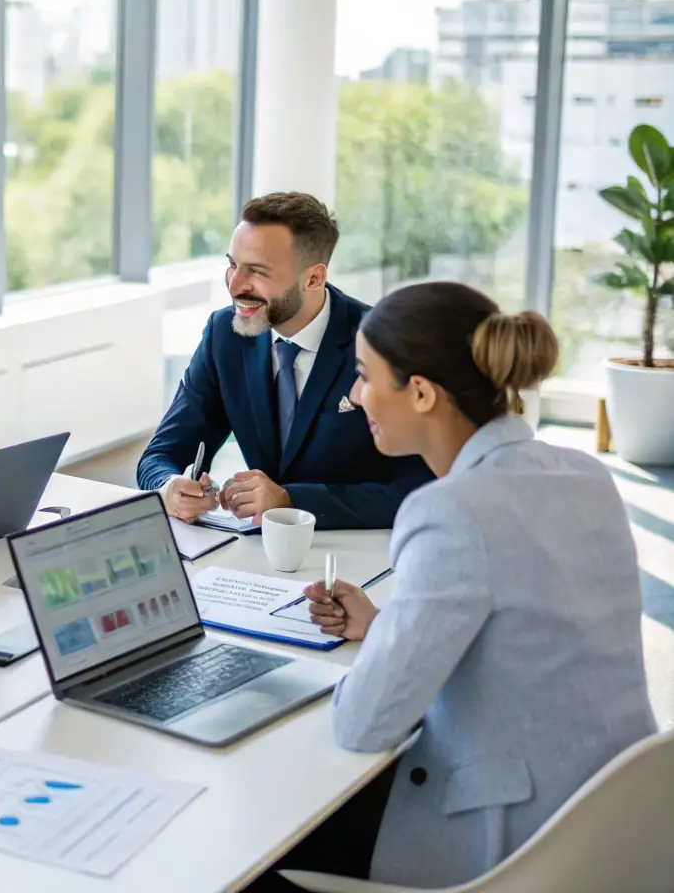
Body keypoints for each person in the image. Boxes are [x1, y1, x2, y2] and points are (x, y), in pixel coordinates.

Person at [291, 281, 656, 888]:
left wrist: (383, 648)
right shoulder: (586, 474)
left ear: (423, 393)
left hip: (513, 852)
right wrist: (387, 624)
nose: (355, 398)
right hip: (618, 826)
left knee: (272, 854)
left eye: (364, 377)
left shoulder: (450, 510)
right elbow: (532, 635)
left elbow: (362, 724)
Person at [137, 191, 431, 529]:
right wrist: (169, 486)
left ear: (314, 278)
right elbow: (160, 455)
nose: (235, 286)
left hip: (360, 556)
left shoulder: (381, 342)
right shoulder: (224, 335)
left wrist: (291, 500)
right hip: (257, 555)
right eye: (232, 265)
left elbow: (418, 490)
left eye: (257, 272)